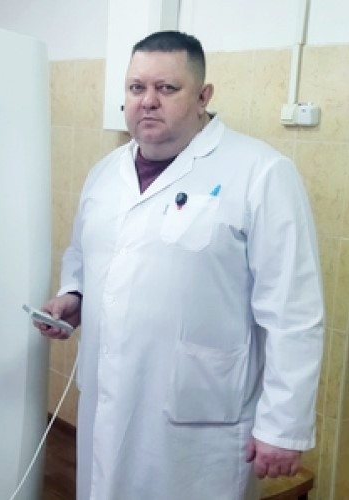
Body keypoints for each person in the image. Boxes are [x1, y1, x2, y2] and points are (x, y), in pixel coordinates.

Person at [36, 31, 324, 500]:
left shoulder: (261, 173)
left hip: (199, 415)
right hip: (108, 397)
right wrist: (75, 295)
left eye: (166, 88)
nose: (148, 101)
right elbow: (83, 255)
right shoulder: (105, 172)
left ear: (203, 96)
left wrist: (283, 426)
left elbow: (294, 311)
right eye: (136, 88)